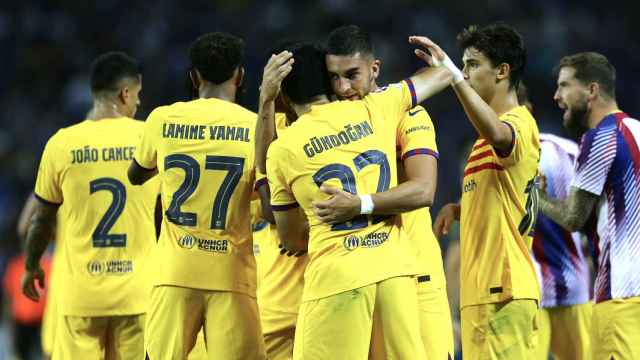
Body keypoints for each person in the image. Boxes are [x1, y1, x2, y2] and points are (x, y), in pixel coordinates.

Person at [259, 39, 453, 358]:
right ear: (326, 81)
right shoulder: (378, 107)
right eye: (336, 78)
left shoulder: (283, 145)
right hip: (394, 269)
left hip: (375, 275)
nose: (344, 86)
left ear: (374, 68)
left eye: (352, 75)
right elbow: (442, 74)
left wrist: (358, 204)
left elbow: (423, 191)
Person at [128, 32, 266, 360]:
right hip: (232, 276)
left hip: (174, 274)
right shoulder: (256, 127)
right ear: (241, 75)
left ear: (193, 76)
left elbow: (135, 175)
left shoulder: (162, 119)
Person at [21, 51, 158, 359]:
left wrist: (31, 266)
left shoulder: (62, 143)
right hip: (138, 294)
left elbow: (39, 220)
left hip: (81, 294)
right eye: (137, 95)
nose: (138, 103)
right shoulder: (149, 137)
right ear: (125, 93)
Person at [431, 23, 541, 359]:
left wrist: (451, 76)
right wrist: (458, 208)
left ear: (502, 71)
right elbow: (505, 197)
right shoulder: (482, 141)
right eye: (462, 65)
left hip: (504, 289)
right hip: (482, 292)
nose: (464, 74)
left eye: (472, 65)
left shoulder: (519, 122)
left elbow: (500, 136)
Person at [539, 52, 640, 359]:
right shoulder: (636, 130)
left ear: (592, 91)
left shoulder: (600, 137)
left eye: (564, 86)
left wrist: (535, 197)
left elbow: (572, 216)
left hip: (621, 295)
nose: (557, 96)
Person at [514, 84, 593, 360]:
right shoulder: (491, 158)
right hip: (522, 296)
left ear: (529, 112)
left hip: (570, 289)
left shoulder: (568, 153)